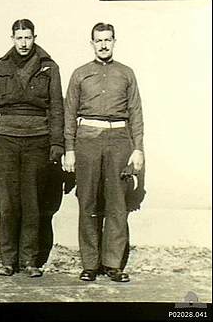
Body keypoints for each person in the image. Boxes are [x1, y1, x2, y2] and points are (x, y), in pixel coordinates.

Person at [64, 22, 144, 283]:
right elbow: (68, 114)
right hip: (87, 139)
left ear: (114, 41)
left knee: (117, 204)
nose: (103, 44)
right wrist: (70, 149)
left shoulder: (127, 73)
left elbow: (136, 113)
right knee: (87, 201)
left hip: (119, 140)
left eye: (108, 39)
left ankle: (113, 264)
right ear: (92, 43)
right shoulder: (80, 74)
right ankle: (89, 264)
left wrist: (138, 149)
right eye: (98, 40)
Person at [0, 19, 65, 277]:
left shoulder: (49, 67)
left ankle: (30, 260)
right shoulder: (0, 66)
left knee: (32, 202)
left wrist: (56, 142)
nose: (23, 43)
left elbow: (55, 106)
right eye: (19, 38)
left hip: (37, 139)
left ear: (34, 37)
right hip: (5, 138)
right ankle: (7, 260)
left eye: (28, 38)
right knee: (7, 203)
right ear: (12, 38)